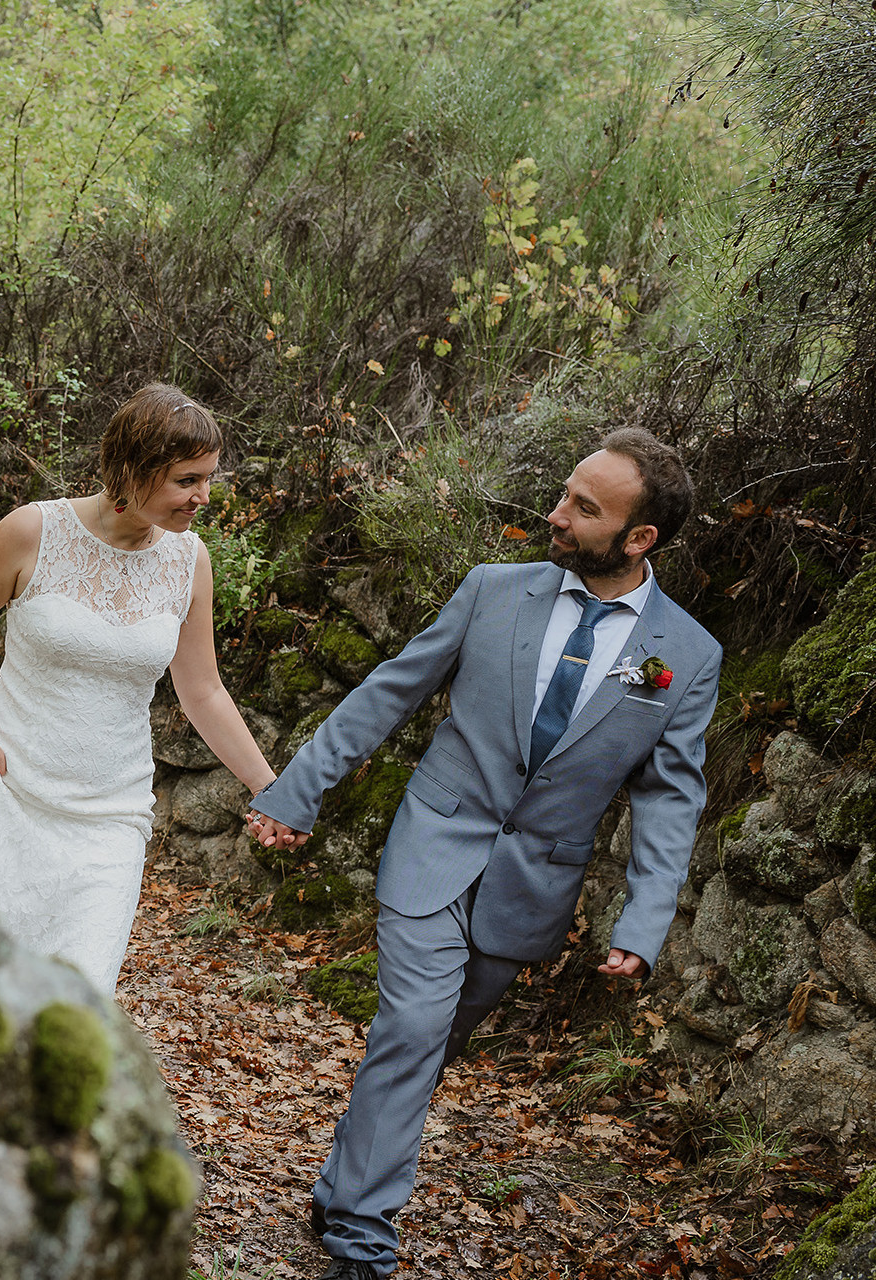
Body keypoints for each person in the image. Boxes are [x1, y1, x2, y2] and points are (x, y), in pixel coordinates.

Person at [245, 428, 720, 1280]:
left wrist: (645, 919)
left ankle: (342, 1179)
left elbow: (669, 794)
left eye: (584, 507)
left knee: (427, 1047)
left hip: (531, 888)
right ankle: (362, 1233)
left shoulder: (685, 656)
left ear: (639, 538)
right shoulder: (492, 590)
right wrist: (296, 790)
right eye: (566, 494)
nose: (558, 515)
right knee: (415, 1023)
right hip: (437, 841)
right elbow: (390, 690)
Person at [0, 383, 280, 994]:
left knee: (70, 1003)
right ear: (132, 469)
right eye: (186, 480)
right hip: (4, 788)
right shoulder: (33, 531)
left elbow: (203, 691)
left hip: (111, 815)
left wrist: (269, 787)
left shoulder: (190, 561)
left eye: (209, 478)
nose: (203, 497)